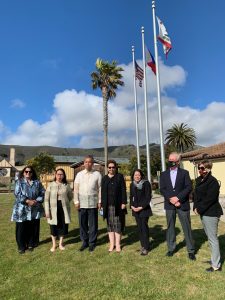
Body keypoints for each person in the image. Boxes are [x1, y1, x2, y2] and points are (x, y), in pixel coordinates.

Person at [160, 152, 196, 260]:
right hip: (169, 205)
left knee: (187, 227)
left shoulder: (185, 173)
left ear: (178, 161)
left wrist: (178, 198)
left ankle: (191, 250)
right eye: (169, 160)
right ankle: (171, 248)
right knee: (170, 227)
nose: (171, 162)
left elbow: (188, 187)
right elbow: (162, 189)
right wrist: (171, 199)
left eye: (173, 160)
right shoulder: (163, 174)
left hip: (182, 204)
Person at [194, 160, 223, 272]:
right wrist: (195, 207)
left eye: (202, 168)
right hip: (203, 212)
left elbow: (209, 199)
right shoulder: (199, 180)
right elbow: (195, 195)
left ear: (208, 168)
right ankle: (214, 259)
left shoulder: (213, 182)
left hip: (211, 213)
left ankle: (216, 265)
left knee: (212, 239)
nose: (200, 170)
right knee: (210, 238)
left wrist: (199, 209)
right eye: (199, 168)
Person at [11, 166, 45, 254]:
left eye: (30, 172)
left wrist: (36, 201)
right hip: (21, 209)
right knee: (21, 228)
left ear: (32, 173)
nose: (28, 173)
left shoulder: (37, 183)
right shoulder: (19, 182)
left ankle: (31, 243)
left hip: (34, 208)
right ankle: (21, 246)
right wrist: (27, 201)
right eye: (26, 172)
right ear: (23, 172)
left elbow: (43, 192)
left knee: (32, 227)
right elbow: (17, 194)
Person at [74, 155, 102, 252]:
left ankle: (92, 242)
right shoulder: (79, 174)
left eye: (90, 162)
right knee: (83, 224)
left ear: (93, 163)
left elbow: (100, 189)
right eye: (86, 162)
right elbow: (76, 189)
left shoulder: (97, 174)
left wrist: (99, 201)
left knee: (93, 223)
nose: (88, 163)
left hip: (93, 202)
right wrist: (76, 201)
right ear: (83, 163)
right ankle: (85, 241)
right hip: (81, 203)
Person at [44, 168, 73, 252]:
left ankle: (60, 243)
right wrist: (47, 211)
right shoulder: (50, 185)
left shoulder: (66, 185)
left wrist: (65, 201)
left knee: (63, 226)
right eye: (58, 174)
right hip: (53, 208)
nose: (59, 176)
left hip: (63, 209)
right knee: (53, 226)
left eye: (61, 174)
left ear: (64, 175)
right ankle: (53, 244)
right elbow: (46, 199)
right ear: (55, 175)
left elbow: (70, 196)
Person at [101, 160, 127, 253]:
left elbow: (123, 190)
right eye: (109, 167)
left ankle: (118, 244)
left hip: (118, 205)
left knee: (118, 225)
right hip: (107, 206)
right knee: (110, 225)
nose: (111, 169)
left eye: (113, 167)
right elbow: (103, 193)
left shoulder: (119, 177)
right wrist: (102, 205)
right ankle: (112, 244)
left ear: (116, 168)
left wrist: (124, 202)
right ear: (107, 168)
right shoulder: (104, 178)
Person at [130, 169, 152, 256]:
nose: (137, 176)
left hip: (144, 209)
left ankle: (146, 247)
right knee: (139, 228)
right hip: (135, 209)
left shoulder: (146, 183)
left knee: (144, 227)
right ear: (133, 176)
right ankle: (142, 245)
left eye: (138, 175)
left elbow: (148, 197)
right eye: (135, 175)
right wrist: (131, 206)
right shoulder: (132, 184)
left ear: (141, 175)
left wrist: (141, 207)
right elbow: (131, 196)